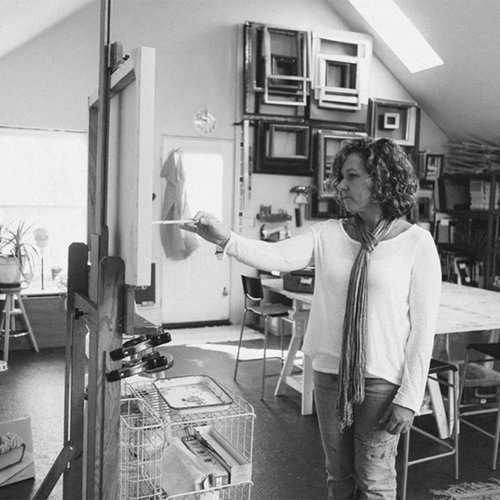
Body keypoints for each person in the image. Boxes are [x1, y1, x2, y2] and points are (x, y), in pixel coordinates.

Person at [182, 137, 441, 499]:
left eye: (352, 176)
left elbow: (423, 329)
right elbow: (276, 256)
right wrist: (226, 238)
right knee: (339, 478)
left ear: (380, 179)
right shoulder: (328, 234)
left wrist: (411, 397)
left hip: (383, 382)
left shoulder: (417, 243)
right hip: (331, 376)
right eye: (340, 176)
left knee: (375, 482)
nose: (341, 185)